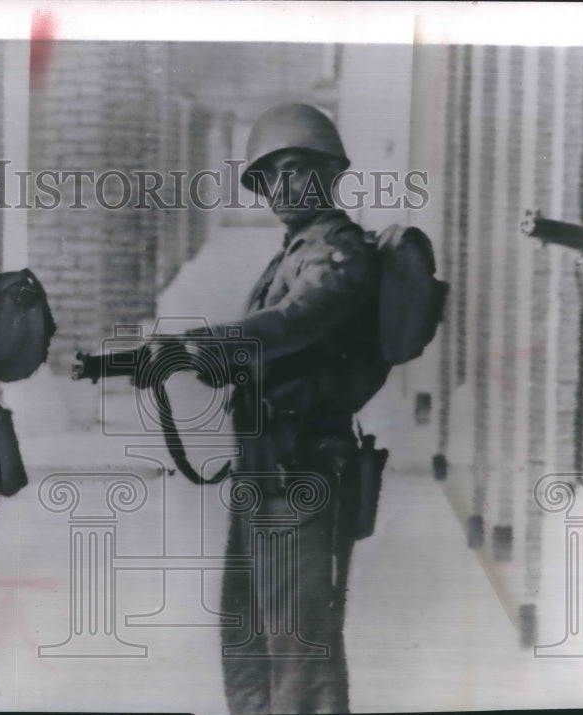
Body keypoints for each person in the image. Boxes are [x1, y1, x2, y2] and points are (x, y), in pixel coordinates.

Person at [169, 103, 391, 714]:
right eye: (269, 177)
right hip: (265, 468)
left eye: (296, 169)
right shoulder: (293, 249)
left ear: (329, 171)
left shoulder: (338, 249)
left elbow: (300, 319)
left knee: (298, 645)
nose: (282, 186)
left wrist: (217, 340)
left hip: (304, 471)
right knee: (246, 631)